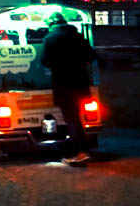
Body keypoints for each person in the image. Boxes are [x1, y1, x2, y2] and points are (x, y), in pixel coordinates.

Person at [40, 13, 98, 165]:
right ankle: (83, 150)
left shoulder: (50, 39)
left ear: (51, 24)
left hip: (63, 84)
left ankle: (78, 152)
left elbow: (44, 61)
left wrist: (59, 64)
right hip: (80, 83)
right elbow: (91, 56)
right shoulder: (78, 36)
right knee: (77, 118)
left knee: (71, 119)